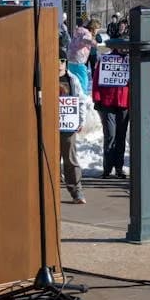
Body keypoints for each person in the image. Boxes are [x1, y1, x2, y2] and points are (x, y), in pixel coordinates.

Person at [91, 48, 130, 179]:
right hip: (107, 103)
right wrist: (96, 97)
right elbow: (96, 78)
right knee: (110, 135)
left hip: (125, 103)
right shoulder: (106, 59)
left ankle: (119, 167)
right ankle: (107, 168)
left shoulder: (131, 59)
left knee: (121, 136)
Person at [58, 57, 91, 204]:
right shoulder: (45, 77)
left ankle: (76, 191)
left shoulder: (72, 79)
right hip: (49, 125)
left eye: (62, 61)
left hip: (67, 125)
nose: (59, 64)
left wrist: (80, 120)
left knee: (70, 158)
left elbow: (81, 100)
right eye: (56, 60)